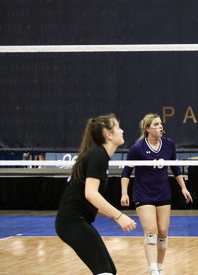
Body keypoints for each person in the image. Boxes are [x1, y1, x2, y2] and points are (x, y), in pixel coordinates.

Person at [55, 114, 137, 275]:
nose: (122, 130)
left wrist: (112, 216)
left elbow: (85, 199)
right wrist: (119, 216)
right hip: (72, 222)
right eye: (118, 127)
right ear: (109, 134)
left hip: (73, 221)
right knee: (104, 272)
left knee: (110, 272)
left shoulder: (98, 155)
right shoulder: (99, 155)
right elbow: (91, 195)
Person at [121, 114, 192, 275]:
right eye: (156, 124)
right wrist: (124, 193)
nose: (161, 127)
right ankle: (153, 270)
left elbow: (175, 167)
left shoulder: (168, 145)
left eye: (161, 124)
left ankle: (159, 268)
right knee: (151, 230)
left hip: (163, 194)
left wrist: (183, 188)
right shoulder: (137, 148)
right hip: (143, 194)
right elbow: (126, 171)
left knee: (162, 232)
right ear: (147, 129)